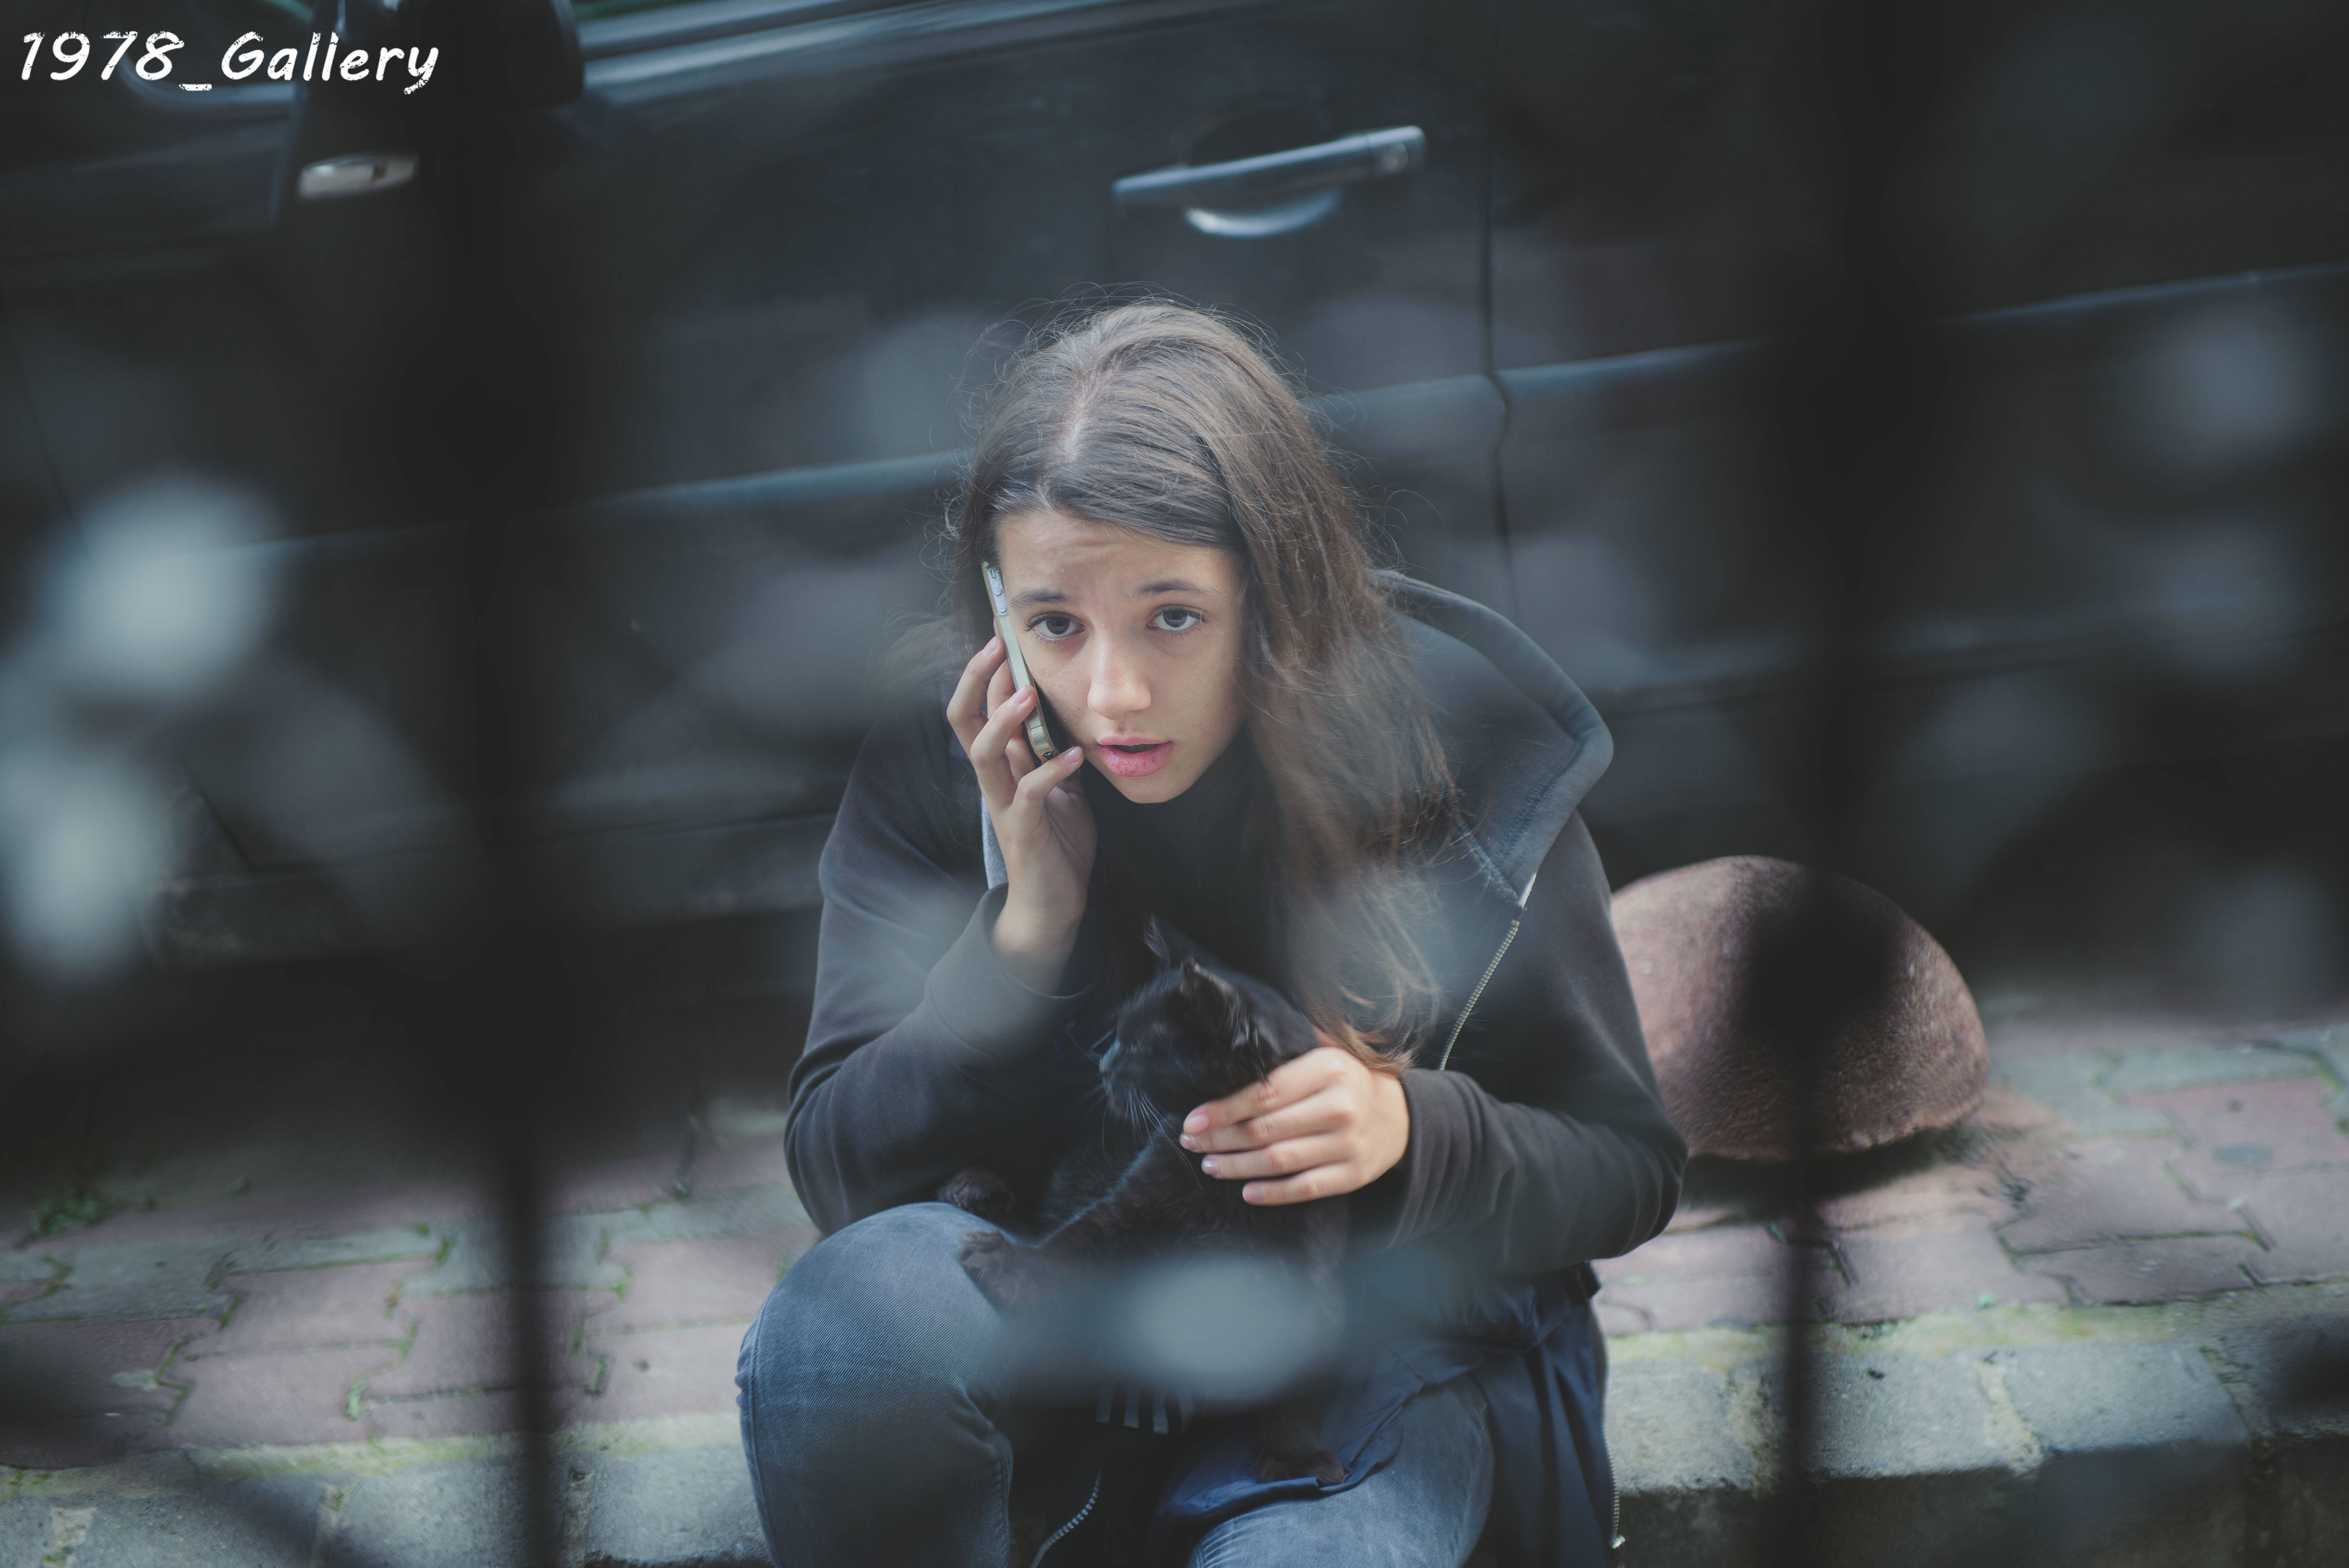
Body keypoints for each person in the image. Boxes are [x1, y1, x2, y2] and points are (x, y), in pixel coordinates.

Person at [736, 303, 1685, 1568]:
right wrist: (1025, 936)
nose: (1113, 693)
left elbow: (1627, 1166)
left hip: (1365, 1368)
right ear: (999, 611)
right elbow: (837, 1173)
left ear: (1271, 597)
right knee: (836, 1343)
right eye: (1056, 623)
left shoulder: (1446, 736)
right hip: (1064, 1297)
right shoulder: (948, 752)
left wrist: (1408, 1132)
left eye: (1172, 615)